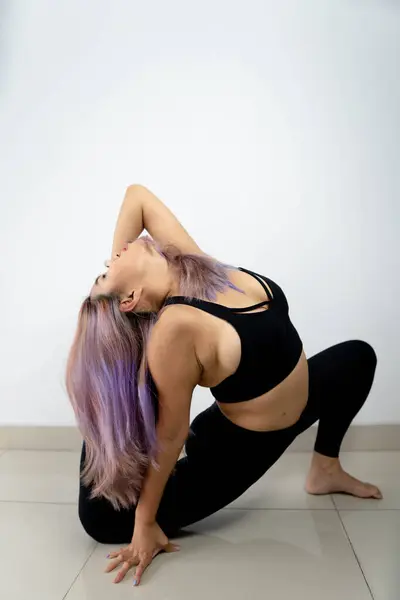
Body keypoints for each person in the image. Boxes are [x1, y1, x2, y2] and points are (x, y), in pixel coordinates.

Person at [66, 184, 381, 587]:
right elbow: (172, 433)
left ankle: (325, 470)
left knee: (358, 357)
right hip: (236, 452)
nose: (114, 254)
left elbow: (136, 197)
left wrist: (117, 271)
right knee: (100, 520)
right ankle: (105, 414)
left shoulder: (194, 269)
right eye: (106, 270)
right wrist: (144, 523)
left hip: (296, 402)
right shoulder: (174, 327)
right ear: (129, 298)